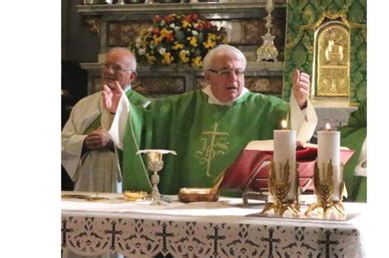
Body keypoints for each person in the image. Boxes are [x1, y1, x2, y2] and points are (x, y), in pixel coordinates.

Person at [103, 44, 317, 195]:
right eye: (225, 72)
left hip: (245, 208)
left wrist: (300, 104)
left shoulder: (268, 109)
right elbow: (142, 126)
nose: (234, 79)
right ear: (207, 76)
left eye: (239, 72)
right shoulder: (180, 108)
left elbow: (297, 138)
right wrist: (119, 110)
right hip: (188, 207)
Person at [61, 47, 149, 193]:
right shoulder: (84, 104)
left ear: (132, 76)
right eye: (107, 66)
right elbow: (63, 142)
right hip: (87, 179)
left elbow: (148, 148)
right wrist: (84, 142)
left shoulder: (142, 107)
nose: (109, 71)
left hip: (122, 184)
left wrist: (112, 142)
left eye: (117, 68)